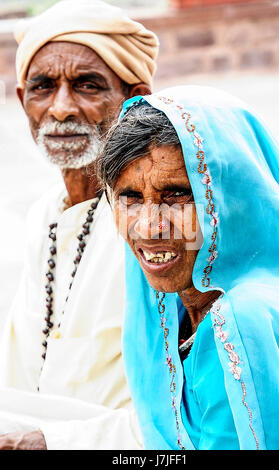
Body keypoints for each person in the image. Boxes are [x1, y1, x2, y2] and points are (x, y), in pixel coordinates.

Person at [99, 86, 279, 450]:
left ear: (230, 200)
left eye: (176, 194)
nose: (147, 226)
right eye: (129, 197)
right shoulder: (170, 306)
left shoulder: (244, 320)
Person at [0, 0, 158, 450]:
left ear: (135, 99)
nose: (62, 108)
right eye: (43, 87)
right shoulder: (42, 217)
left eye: (87, 86)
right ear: (21, 101)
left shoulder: (164, 223)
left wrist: (53, 441)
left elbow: (194, 409)